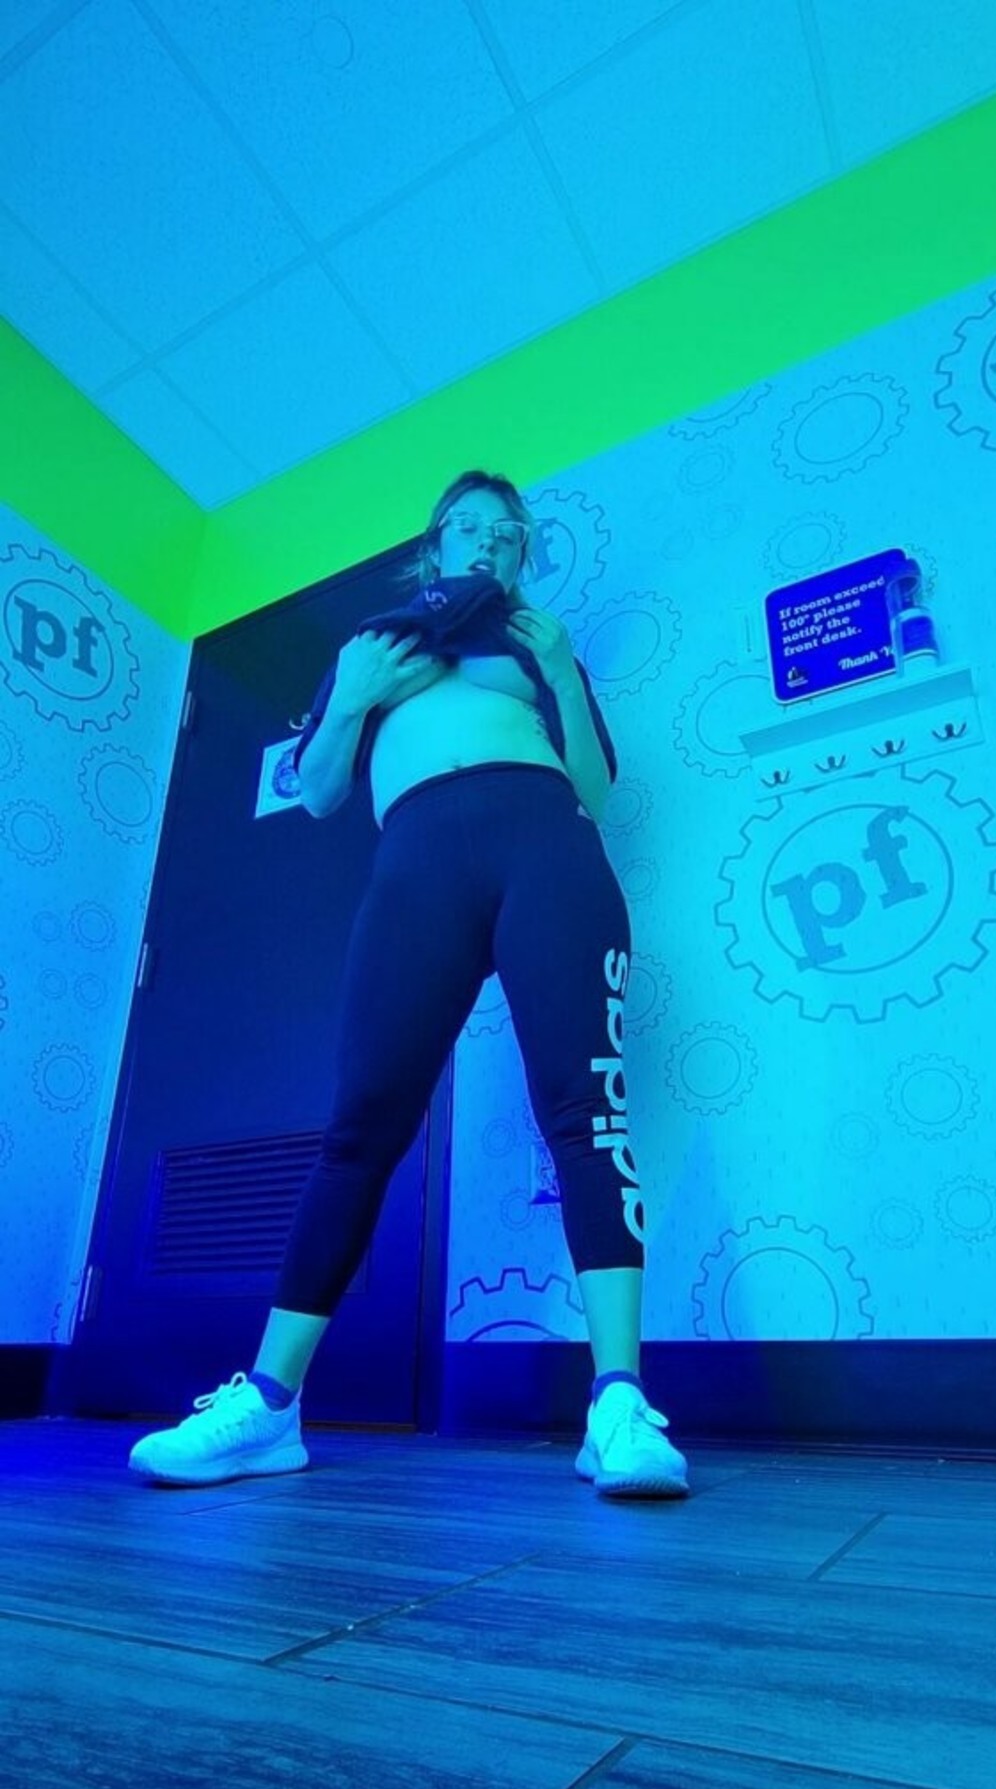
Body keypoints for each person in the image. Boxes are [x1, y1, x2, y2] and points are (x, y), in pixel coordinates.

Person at [129, 471, 688, 1499]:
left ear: (522, 555)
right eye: (467, 526)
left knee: (587, 1115)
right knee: (359, 1131)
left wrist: (562, 672)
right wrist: (351, 694)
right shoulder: (373, 645)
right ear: (435, 546)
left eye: (507, 532)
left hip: (546, 849)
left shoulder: (538, 644)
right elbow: (318, 792)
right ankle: (269, 1405)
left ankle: (617, 1401)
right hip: (416, 862)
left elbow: (597, 792)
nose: (487, 540)